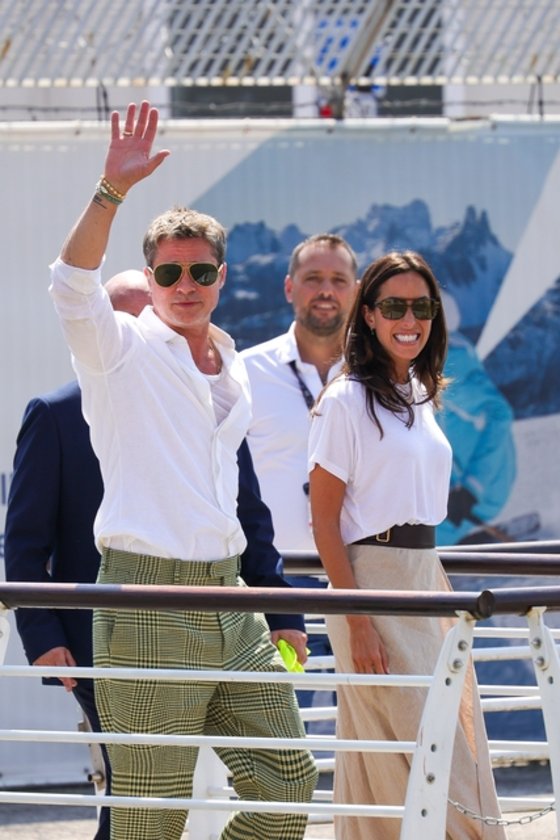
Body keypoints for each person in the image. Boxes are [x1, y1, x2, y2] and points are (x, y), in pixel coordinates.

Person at [48, 100, 316, 840]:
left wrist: (273, 602)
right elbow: (71, 285)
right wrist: (111, 190)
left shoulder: (232, 363)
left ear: (220, 276)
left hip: (232, 602)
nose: (184, 283)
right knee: (151, 818)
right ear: (151, 276)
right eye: (168, 271)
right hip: (145, 603)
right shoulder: (121, 351)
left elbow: (237, 503)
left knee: (289, 782)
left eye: (199, 270)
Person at [4, 274, 307, 840]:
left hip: (223, 623)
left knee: (280, 784)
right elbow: (24, 540)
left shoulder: (210, 394)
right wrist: (42, 634)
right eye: (126, 321)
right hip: (106, 635)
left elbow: (247, 514)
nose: (143, 335)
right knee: (141, 800)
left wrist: (282, 611)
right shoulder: (56, 412)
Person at [308, 251, 505, 839]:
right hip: (371, 587)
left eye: (422, 307)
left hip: (425, 579)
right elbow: (323, 522)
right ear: (368, 315)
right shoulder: (345, 399)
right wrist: (358, 618)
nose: (409, 319)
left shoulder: (419, 390)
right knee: (422, 757)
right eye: (394, 306)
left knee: (430, 744)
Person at [240, 233, 358, 721]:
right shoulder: (245, 373)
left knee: (367, 727)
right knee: (284, 729)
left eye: (338, 280)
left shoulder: (381, 377)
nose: (325, 290)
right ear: (290, 287)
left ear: (356, 291)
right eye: (313, 279)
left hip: (360, 580)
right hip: (278, 584)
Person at [436, 291, 516, 545]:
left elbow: (499, 415)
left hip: (481, 494)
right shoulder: (430, 366)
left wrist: (471, 488)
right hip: (454, 493)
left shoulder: (450, 370)